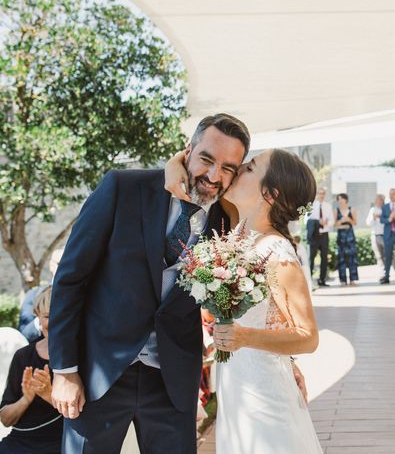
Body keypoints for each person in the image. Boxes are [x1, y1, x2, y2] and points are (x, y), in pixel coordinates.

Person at [49, 114, 305, 453]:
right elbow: (70, 279)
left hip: (172, 383)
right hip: (100, 374)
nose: (214, 176)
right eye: (207, 159)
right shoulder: (122, 188)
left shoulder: (227, 219)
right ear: (187, 152)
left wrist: (287, 363)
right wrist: (64, 371)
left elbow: (254, 298)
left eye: (228, 167)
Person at [203, 149, 322, 453]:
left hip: (263, 396)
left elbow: (307, 337)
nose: (239, 168)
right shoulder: (239, 233)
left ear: (269, 193)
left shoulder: (277, 253)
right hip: (236, 387)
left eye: (250, 167)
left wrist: (244, 336)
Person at [0, 287, 62, 453]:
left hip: (59, 443)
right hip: (18, 442)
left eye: (61, 316)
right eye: (48, 316)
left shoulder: (80, 356)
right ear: (38, 316)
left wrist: (49, 395)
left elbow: (90, 419)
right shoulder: (23, 356)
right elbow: (5, 419)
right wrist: (26, 399)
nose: (55, 323)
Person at [19, 249, 64, 343]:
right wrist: (42, 318)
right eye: (60, 264)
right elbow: (23, 333)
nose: (64, 269)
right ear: (51, 265)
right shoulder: (34, 294)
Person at [306, 187, 333, 287]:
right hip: (314, 236)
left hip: (324, 234)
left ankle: (322, 280)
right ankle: (309, 280)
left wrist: (327, 223)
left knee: (324, 258)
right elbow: (307, 220)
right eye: (319, 193)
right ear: (316, 194)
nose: (321, 195)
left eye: (323, 193)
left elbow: (332, 220)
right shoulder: (311, 206)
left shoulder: (328, 206)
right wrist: (318, 221)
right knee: (311, 258)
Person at [367, 194, 395, 279]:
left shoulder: (387, 209)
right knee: (379, 257)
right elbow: (368, 223)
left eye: (381, 200)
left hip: (385, 235)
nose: (379, 202)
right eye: (377, 200)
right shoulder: (372, 210)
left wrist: (381, 217)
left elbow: (389, 221)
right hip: (375, 235)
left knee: (390, 254)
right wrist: (373, 218)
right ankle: (384, 275)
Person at [335, 193, 359, 286]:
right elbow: (335, 224)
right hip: (340, 235)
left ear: (346, 199)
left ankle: (353, 279)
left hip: (350, 235)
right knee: (341, 257)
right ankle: (343, 280)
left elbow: (355, 222)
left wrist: (348, 219)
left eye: (341, 199)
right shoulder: (336, 210)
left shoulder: (351, 209)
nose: (340, 201)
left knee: (352, 257)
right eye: (338, 199)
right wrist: (341, 221)